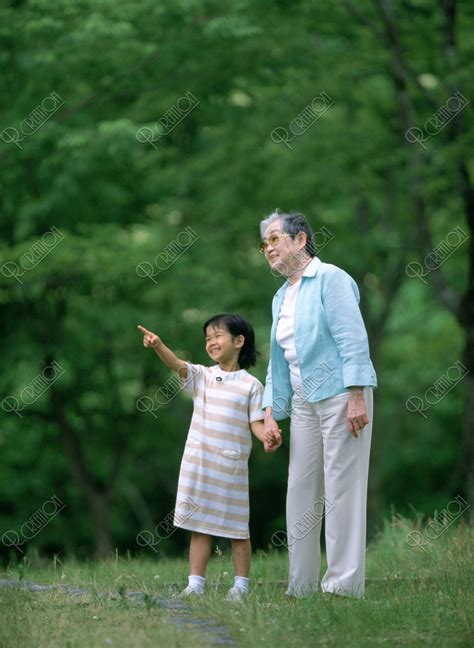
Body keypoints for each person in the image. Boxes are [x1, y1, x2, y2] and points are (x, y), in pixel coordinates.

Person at [259, 209, 377, 599]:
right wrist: (272, 411)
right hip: (306, 399)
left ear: (300, 239)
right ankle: (302, 585)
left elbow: (351, 337)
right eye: (264, 244)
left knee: (343, 487)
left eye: (274, 239)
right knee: (301, 488)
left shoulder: (331, 278)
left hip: (343, 394)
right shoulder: (281, 297)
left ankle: (342, 586)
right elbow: (278, 361)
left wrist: (357, 392)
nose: (268, 249)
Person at [138, 314, 277, 601]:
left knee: (238, 528)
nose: (211, 342)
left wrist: (267, 436)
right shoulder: (203, 377)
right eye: (207, 339)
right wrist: (158, 345)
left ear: (239, 341)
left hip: (231, 468)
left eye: (217, 336)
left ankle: (240, 586)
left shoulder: (251, 385)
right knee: (199, 526)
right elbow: (177, 365)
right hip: (200, 464)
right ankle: (195, 584)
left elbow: (255, 423)